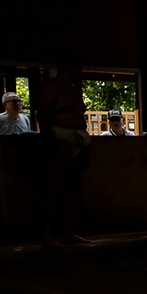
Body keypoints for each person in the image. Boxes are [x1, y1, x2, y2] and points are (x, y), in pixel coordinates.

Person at [36, 60, 92, 249]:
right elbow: (42, 114)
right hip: (58, 138)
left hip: (77, 139)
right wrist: (47, 141)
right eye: (79, 69)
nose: (81, 73)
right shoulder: (51, 87)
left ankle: (67, 233)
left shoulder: (74, 89)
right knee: (53, 188)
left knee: (71, 188)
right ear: (70, 68)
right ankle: (47, 235)